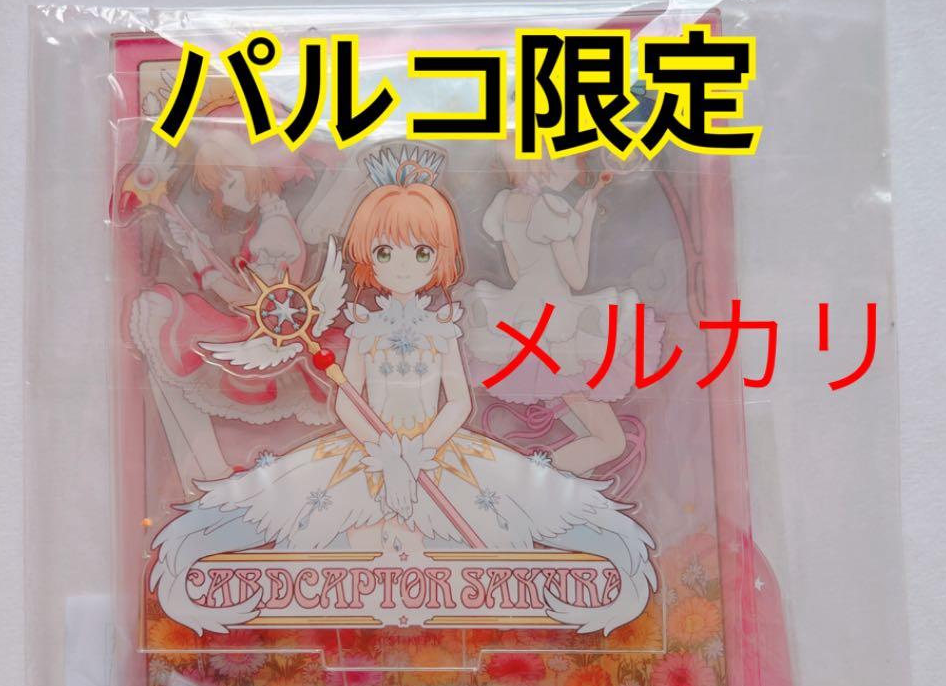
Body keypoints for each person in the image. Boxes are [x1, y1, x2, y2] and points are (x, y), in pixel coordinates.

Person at [149, 146, 658, 636]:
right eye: (385, 252)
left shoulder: (443, 329)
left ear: (440, 257)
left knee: (476, 530)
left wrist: (422, 449)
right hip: (370, 450)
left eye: (422, 252)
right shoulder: (364, 328)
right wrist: (379, 446)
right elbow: (348, 396)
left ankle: (448, 599)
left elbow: (458, 402)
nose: (403, 266)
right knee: (334, 530)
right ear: (368, 256)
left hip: (433, 450)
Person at [120, 129, 333, 490]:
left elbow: (252, 301)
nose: (225, 199)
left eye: (229, 184)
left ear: (254, 173)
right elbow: (248, 286)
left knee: (161, 318)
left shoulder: (274, 232)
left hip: (267, 338)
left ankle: (209, 468)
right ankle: (204, 468)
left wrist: (203, 265)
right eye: (219, 190)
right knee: (160, 327)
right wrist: (199, 253)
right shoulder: (269, 223)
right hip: (259, 329)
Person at [461, 149, 664, 476]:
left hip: (523, 318)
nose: (571, 170)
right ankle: (528, 481)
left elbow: (516, 272)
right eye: (565, 160)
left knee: (590, 436)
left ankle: (563, 489)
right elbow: (577, 278)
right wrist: (583, 225)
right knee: (611, 442)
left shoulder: (504, 204)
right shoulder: (549, 208)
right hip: (557, 326)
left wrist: (579, 217)